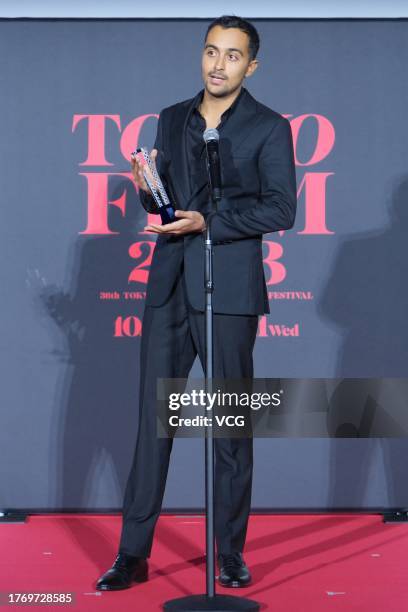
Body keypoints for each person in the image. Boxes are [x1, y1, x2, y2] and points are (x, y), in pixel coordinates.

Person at [96, 15, 297, 591]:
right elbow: (166, 209)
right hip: (167, 287)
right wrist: (147, 187)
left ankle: (230, 553)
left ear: (250, 66)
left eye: (232, 55)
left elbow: (282, 210)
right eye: (211, 51)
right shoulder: (171, 118)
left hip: (228, 290)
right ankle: (132, 554)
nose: (218, 63)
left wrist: (212, 221)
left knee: (229, 426)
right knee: (152, 426)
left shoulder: (269, 127)